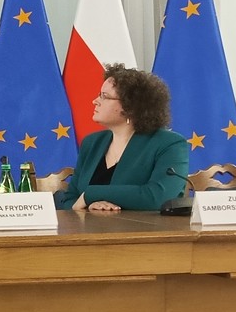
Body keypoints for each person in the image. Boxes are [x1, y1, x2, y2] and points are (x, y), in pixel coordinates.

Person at [57, 65, 189, 212]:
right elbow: (70, 199)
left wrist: (90, 195)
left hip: (143, 227)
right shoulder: (92, 143)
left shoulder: (169, 144)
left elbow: (158, 197)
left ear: (130, 107)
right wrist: (90, 206)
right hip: (88, 226)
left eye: (104, 96)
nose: (95, 101)